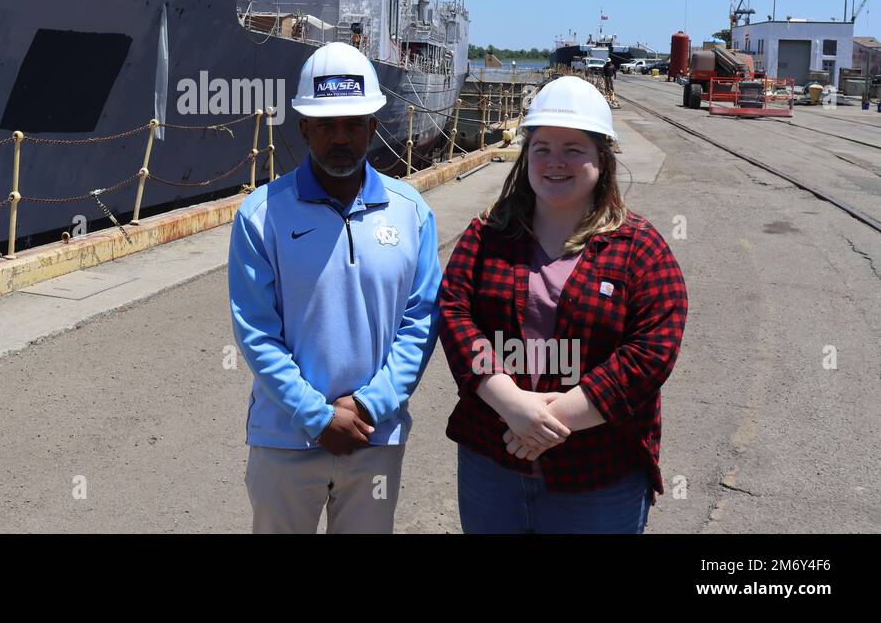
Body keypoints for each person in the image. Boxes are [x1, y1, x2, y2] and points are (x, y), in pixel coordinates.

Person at [437, 75, 687, 533]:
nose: (556, 162)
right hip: (492, 460)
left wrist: (553, 418)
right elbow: (454, 314)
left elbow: (652, 350)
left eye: (574, 149)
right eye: (542, 148)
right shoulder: (486, 234)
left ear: (601, 158)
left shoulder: (641, 248)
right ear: (526, 156)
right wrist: (508, 400)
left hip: (599, 472)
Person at [228, 42, 441, 533]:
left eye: (352, 123)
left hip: (374, 437)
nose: (339, 137)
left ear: (373, 126)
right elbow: (256, 331)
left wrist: (368, 405)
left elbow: (421, 322)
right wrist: (317, 415)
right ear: (304, 128)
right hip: (285, 438)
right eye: (326, 125)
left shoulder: (412, 213)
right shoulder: (262, 217)